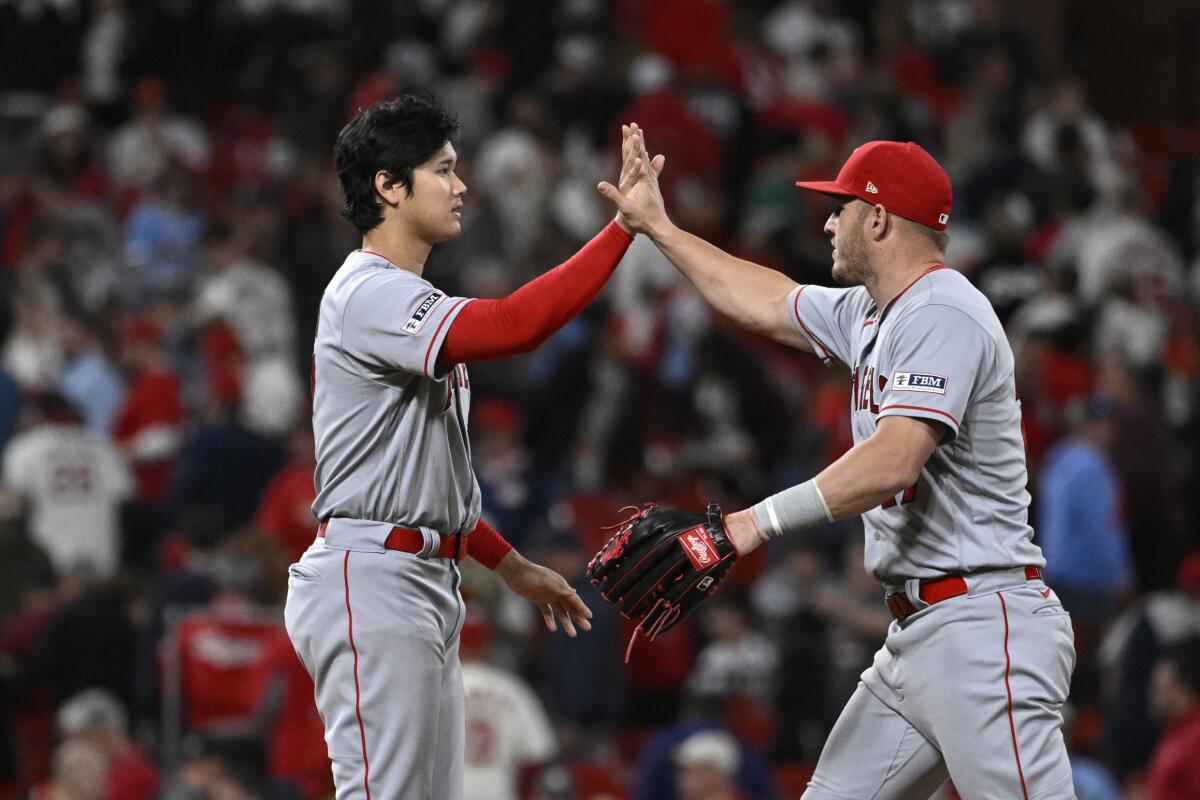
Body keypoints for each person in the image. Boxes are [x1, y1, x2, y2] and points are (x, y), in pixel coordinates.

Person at [601, 130, 1076, 798]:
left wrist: (751, 524)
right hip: (919, 635)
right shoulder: (872, 313)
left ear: (878, 218)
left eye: (841, 207)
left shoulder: (945, 309)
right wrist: (659, 228)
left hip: (983, 622)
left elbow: (893, 462)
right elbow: (763, 299)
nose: (827, 222)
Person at [283, 94, 643, 799]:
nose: (461, 186)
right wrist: (623, 230)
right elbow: (515, 325)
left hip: (415, 576)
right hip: (374, 576)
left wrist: (511, 567)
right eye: (443, 170)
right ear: (388, 185)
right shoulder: (368, 294)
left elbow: (430, 492)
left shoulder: (403, 300)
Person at [1146, 638, 1200, 800]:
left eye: (1159, 688)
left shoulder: (1195, 736)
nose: (1152, 694)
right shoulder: (1174, 732)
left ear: (1183, 687)